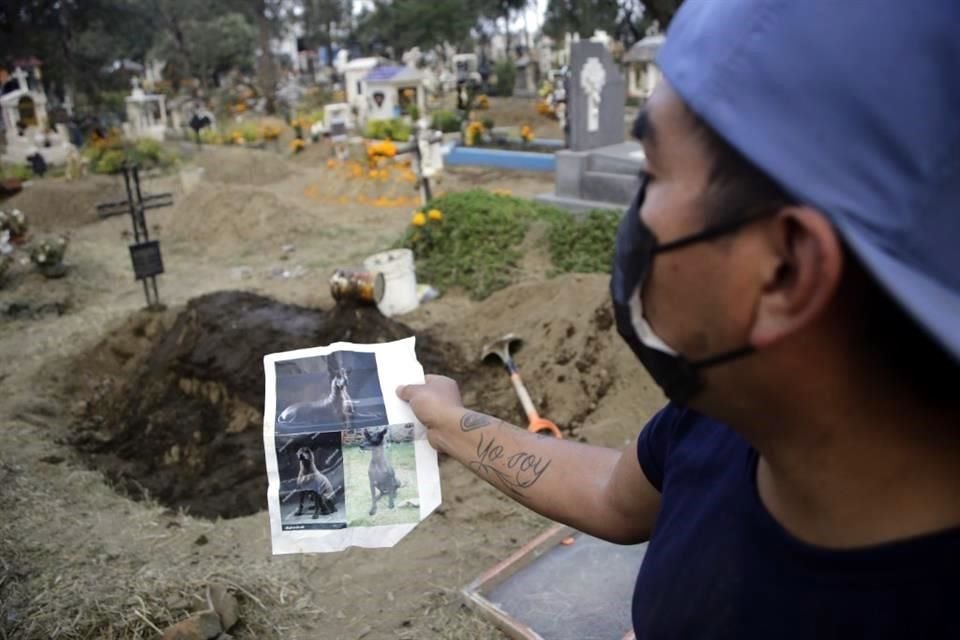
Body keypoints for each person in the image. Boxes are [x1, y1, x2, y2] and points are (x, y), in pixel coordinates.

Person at [397, 1, 960, 637]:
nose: (634, 213)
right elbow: (614, 495)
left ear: (784, 270)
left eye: (654, 171)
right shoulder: (733, 414)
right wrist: (451, 425)